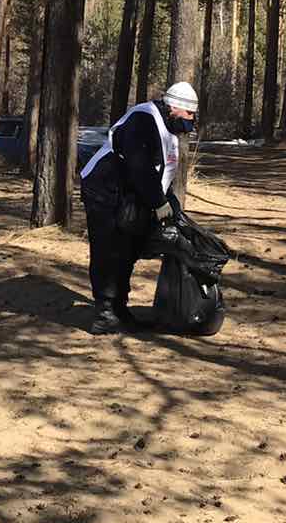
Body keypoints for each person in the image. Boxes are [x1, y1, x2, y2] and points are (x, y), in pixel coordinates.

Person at [77, 82, 199, 335]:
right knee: (108, 249)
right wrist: (158, 202)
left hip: (129, 194)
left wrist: (171, 205)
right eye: (189, 114)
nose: (191, 121)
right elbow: (138, 163)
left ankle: (119, 308)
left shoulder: (168, 130)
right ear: (175, 107)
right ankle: (105, 313)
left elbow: (160, 172)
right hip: (104, 190)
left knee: (127, 249)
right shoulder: (143, 119)